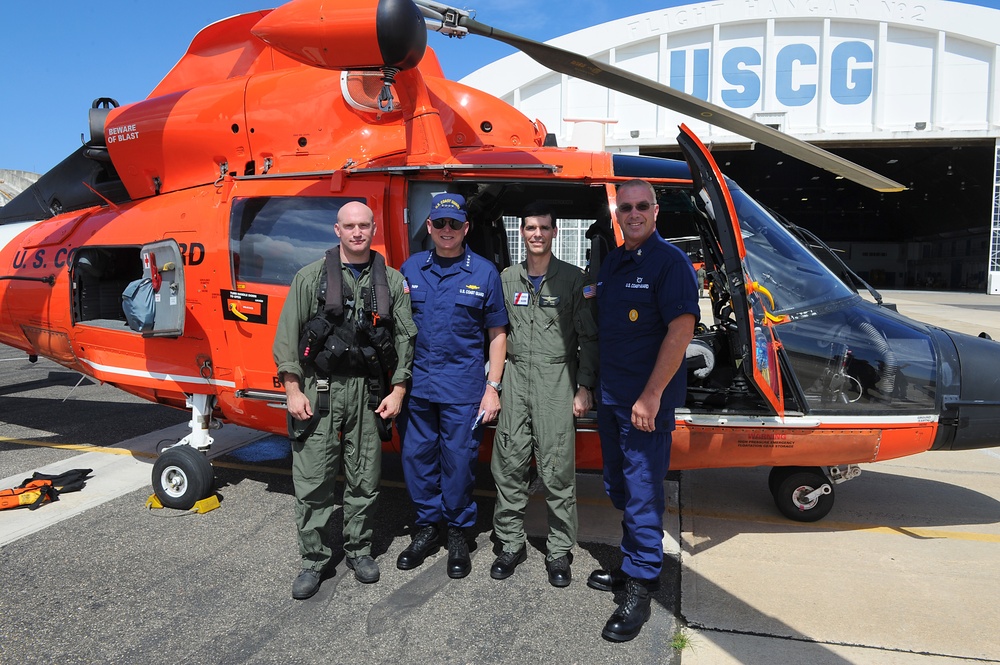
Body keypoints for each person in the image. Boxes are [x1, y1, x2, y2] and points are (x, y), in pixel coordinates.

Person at [273, 201, 416, 599]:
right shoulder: (310, 277)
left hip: (369, 392)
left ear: (374, 230)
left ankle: (359, 550)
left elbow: (406, 338)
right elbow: (287, 336)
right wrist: (292, 388)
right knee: (313, 481)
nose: (357, 232)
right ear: (337, 230)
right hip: (319, 390)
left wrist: (399, 387)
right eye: (349, 226)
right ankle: (314, 560)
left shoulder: (391, 280)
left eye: (364, 226)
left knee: (365, 480)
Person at [589, 179, 699, 642]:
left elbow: (680, 331)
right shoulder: (615, 262)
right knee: (618, 486)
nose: (632, 214)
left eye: (641, 206)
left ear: (656, 212)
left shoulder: (669, 263)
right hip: (612, 399)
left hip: (643, 406)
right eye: (625, 207)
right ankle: (634, 560)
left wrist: (652, 395)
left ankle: (639, 585)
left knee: (642, 494)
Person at [396, 192, 508, 579]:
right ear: (429, 227)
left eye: (454, 224)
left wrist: (493, 386)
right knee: (416, 460)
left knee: (459, 463)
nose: (447, 231)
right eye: (440, 224)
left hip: (463, 389)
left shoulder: (484, 273)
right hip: (418, 387)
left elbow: (497, 333)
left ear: (466, 227)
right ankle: (428, 526)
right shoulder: (410, 270)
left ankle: (460, 530)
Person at [489, 202, 598, 587]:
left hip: (557, 378)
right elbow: (495, 334)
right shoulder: (505, 279)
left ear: (554, 233)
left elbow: (588, 337)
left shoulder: (573, 279)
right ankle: (510, 543)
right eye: (530, 227)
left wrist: (583, 387)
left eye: (544, 228)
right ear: (522, 232)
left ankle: (559, 551)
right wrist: (494, 385)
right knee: (508, 465)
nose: (537, 234)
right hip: (516, 377)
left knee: (557, 470)